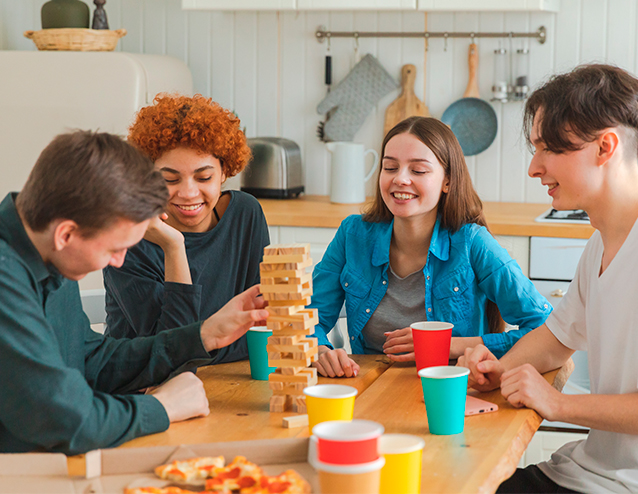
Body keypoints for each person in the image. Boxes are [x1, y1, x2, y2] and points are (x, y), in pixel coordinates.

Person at [0, 131, 268, 455]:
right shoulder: (8, 278)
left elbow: (91, 360)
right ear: (66, 233)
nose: (119, 261)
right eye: (114, 248)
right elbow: (64, 421)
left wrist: (203, 335)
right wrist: (161, 407)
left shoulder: (49, 252)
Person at [459, 64, 638, 493]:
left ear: (605, 147)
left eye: (549, 149)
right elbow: (557, 337)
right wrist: (498, 371)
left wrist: (557, 403)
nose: (534, 168)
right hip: (586, 472)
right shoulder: (600, 243)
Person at [310, 117, 552, 378]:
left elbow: (544, 329)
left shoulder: (472, 243)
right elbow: (304, 319)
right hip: (370, 386)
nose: (400, 179)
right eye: (390, 167)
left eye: (418, 171)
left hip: (455, 390)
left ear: (447, 181)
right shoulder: (352, 234)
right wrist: (320, 351)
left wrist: (446, 346)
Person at [103, 94, 269, 364]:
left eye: (204, 177)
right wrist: (173, 246)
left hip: (232, 383)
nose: (189, 193)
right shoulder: (129, 234)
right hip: (145, 392)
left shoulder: (245, 214)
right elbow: (169, 354)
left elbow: (261, 325)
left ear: (224, 172)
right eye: (169, 179)